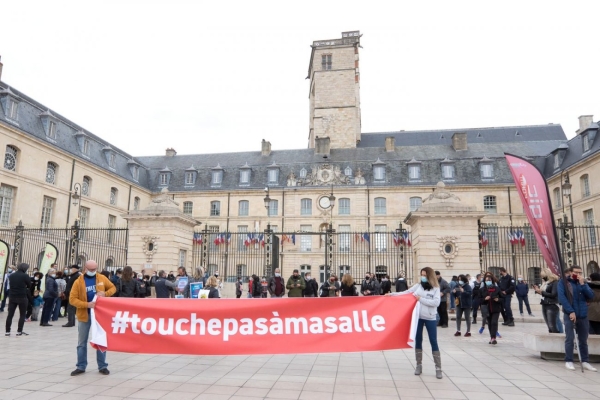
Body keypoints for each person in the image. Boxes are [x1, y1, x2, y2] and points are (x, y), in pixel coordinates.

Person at [388, 267, 442, 379]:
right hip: (419, 317)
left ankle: (438, 367)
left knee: (433, 341)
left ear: (429, 276)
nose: (422, 277)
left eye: (424, 275)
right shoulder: (418, 286)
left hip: (430, 317)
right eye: (421, 275)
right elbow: (406, 293)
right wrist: (392, 295)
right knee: (418, 340)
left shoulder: (436, 288)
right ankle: (419, 365)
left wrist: (420, 299)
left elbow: (436, 302)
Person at [69, 260, 116, 376]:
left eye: (94, 269)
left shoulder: (101, 278)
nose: (92, 271)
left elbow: (113, 288)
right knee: (81, 343)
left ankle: (102, 366)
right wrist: (87, 304)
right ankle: (81, 366)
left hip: (100, 316)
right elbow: (72, 299)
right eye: (90, 269)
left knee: (101, 341)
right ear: (85, 268)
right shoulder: (78, 282)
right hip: (84, 315)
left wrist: (105, 294)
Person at [557, 265, 597, 371]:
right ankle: (569, 360)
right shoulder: (564, 283)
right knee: (570, 338)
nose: (578, 275)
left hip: (583, 315)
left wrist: (583, 284)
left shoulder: (583, 283)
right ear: (570, 272)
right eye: (576, 272)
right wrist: (570, 311)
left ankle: (585, 361)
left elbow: (591, 296)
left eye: (580, 272)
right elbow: (562, 298)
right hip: (570, 314)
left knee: (583, 340)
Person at [4, 263, 31, 336]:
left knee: (10, 315)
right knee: (22, 314)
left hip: (12, 296)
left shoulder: (12, 275)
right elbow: (29, 285)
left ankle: (7, 331)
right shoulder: (25, 276)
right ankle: (19, 331)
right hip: (22, 296)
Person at [480, 272, 503, 345]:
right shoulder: (482, 290)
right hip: (487, 309)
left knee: (494, 322)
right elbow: (479, 300)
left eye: (489, 280)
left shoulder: (497, 289)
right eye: (486, 280)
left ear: (492, 281)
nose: (488, 281)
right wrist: (485, 299)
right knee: (489, 323)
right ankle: (492, 337)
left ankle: (493, 338)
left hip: (496, 309)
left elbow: (503, 298)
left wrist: (498, 300)